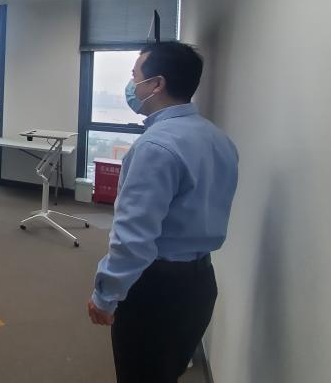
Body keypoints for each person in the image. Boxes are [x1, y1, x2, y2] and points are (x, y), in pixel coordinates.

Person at [87, 42, 239, 383]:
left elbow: (133, 238)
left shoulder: (155, 147)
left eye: (135, 76)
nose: (131, 86)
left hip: (156, 291)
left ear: (156, 84)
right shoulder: (219, 139)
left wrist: (105, 295)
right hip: (200, 284)